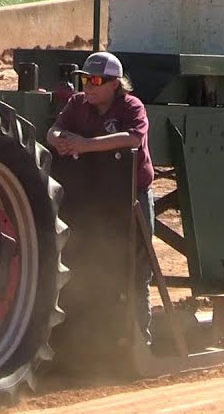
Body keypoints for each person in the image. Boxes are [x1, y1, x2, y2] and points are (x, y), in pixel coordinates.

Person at [46, 51, 155, 340]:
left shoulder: (132, 106)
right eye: (84, 80)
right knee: (88, 263)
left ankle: (138, 341)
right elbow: (54, 130)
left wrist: (85, 144)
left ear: (114, 84)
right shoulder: (77, 104)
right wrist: (60, 141)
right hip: (94, 200)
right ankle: (91, 339)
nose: (89, 87)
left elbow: (133, 138)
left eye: (96, 80)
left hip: (131, 197)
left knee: (135, 271)